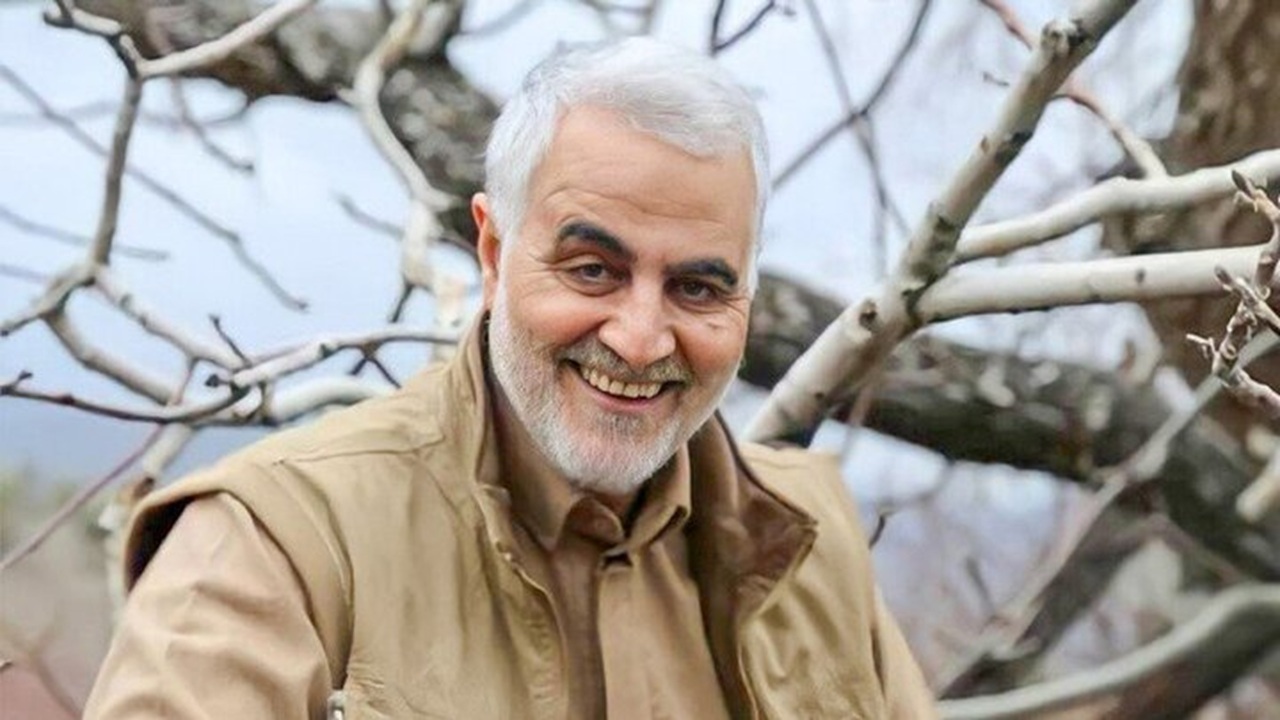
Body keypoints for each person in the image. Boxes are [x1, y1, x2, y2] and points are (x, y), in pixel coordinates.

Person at [84, 37, 937, 719]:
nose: (641, 341)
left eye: (697, 288)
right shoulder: (275, 544)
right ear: (493, 254)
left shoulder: (810, 534)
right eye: (593, 270)